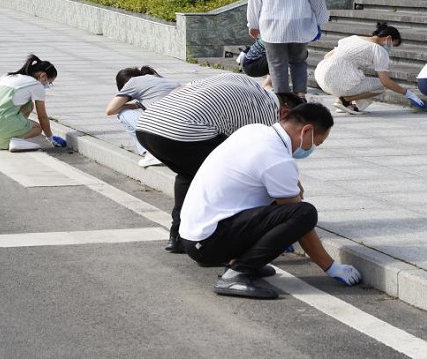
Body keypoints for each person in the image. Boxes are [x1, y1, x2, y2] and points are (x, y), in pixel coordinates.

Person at [179, 102, 361, 299]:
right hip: (208, 242)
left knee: (286, 205)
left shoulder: (254, 131)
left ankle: (242, 261)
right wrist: (331, 266)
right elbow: (299, 219)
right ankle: (237, 273)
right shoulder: (277, 158)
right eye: (316, 143)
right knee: (304, 213)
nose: (311, 149)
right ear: (306, 131)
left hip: (195, 236)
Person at [134, 73, 304, 253]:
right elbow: (266, 162)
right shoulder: (268, 112)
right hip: (182, 129)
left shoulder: (240, 80)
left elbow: (182, 89)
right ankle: (269, 234)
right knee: (247, 177)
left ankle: (177, 236)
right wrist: (291, 187)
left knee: (189, 174)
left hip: (147, 124)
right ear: (285, 112)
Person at [246, 0, 329, 99]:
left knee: (277, 64)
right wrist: (320, 20)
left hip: (272, 26)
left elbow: (254, 0)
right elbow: (318, 0)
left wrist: (253, 23)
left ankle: (282, 100)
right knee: (298, 61)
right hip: (300, 25)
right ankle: (301, 96)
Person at [314, 21, 426, 115]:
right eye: (392, 44)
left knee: (357, 76)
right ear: (388, 38)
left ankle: (346, 102)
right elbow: (385, 81)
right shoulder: (378, 50)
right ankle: (344, 100)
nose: (390, 47)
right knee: (380, 86)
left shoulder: (354, 38)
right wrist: (408, 93)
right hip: (335, 82)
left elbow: (327, 55)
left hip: (320, 75)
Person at [0, 54, 66, 152]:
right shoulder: (36, 85)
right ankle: (15, 140)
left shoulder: (7, 76)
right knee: (37, 128)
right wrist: (51, 138)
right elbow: (42, 116)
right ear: (43, 76)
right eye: (49, 83)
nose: (47, 86)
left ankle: (2, 140)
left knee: (29, 105)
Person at [104, 65, 181, 166]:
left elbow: (110, 110)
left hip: (166, 132)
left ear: (124, 85)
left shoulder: (132, 82)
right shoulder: (164, 80)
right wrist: (137, 105)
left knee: (123, 114)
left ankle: (152, 153)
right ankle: (152, 151)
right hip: (185, 132)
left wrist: (127, 105)